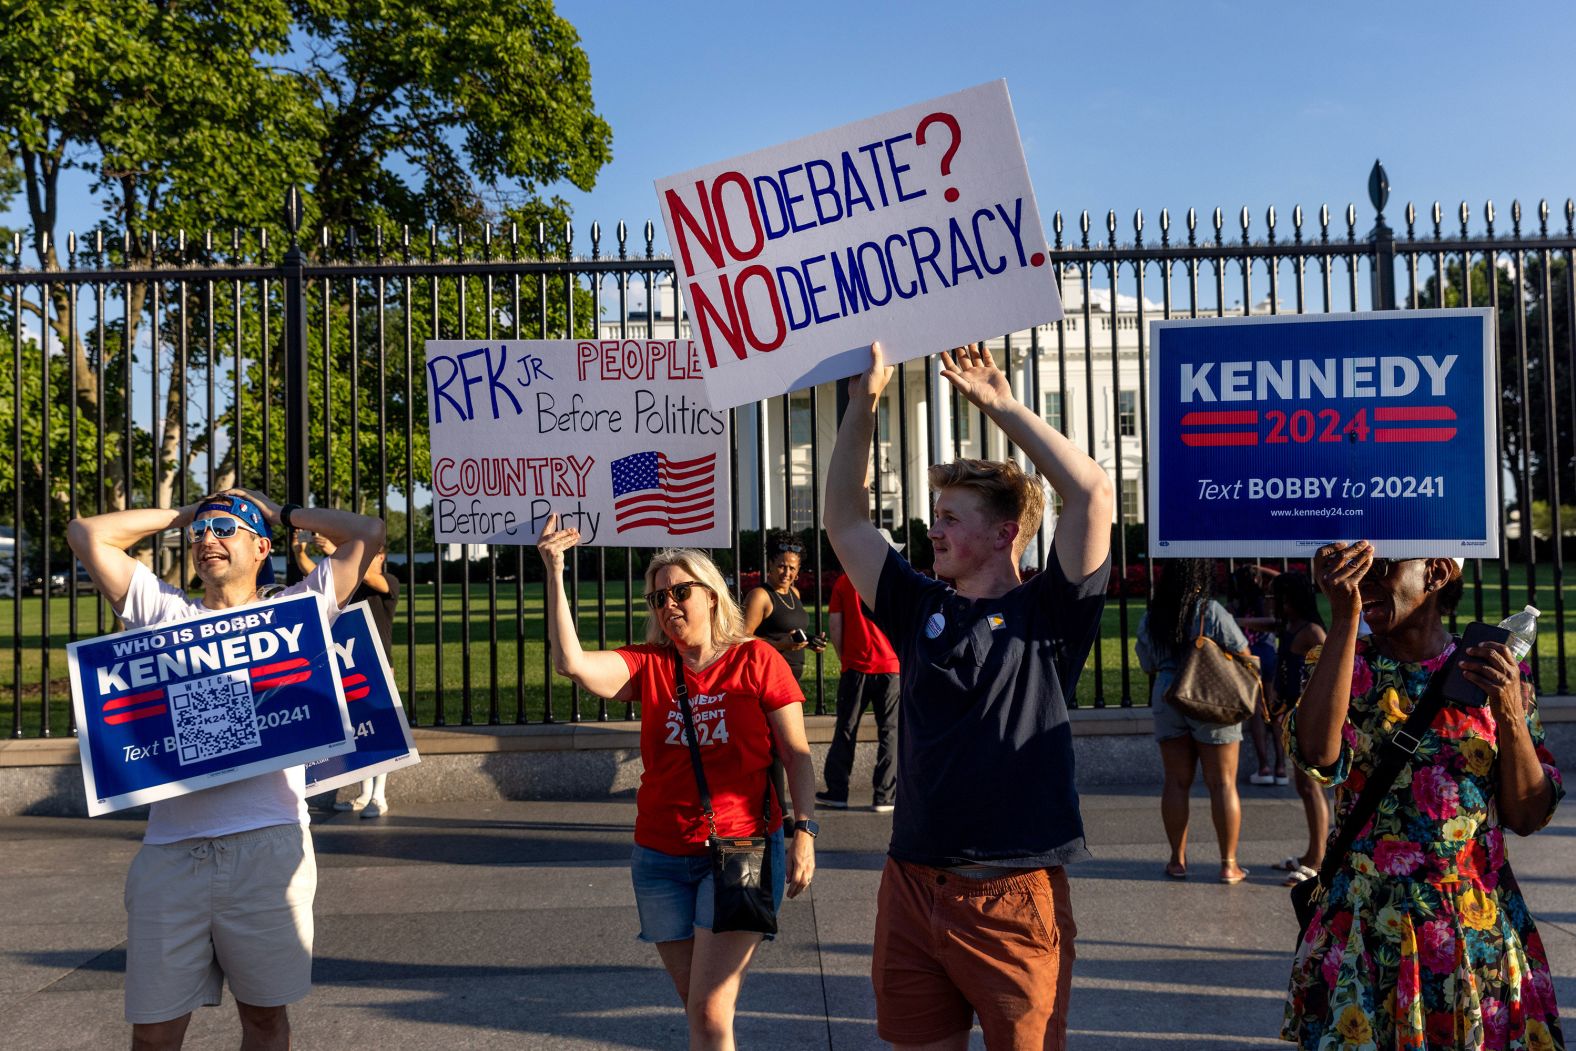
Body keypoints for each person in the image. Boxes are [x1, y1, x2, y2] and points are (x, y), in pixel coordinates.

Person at [824, 341, 1113, 1051]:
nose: (935, 528)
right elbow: (845, 521)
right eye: (937, 514)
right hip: (912, 883)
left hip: (1011, 895)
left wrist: (1004, 407)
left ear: (1004, 533)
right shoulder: (917, 602)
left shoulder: (1049, 612)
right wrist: (864, 402)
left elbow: (1093, 494)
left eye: (952, 517)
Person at [67, 489, 385, 1051]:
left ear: (262, 547)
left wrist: (276, 512)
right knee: (154, 1031)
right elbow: (86, 534)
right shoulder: (165, 613)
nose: (206, 542)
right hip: (172, 854)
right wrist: (193, 513)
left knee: (264, 1021)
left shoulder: (299, 608)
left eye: (224, 531)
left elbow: (367, 533)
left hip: (268, 847)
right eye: (198, 536)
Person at [536, 516, 818, 1051]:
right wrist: (555, 568)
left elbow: (797, 756)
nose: (668, 605)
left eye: (680, 592)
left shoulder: (757, 660)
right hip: (659, 857)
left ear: (711, 596)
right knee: (700, 1012)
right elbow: (570, 663)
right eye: (657, 598)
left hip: (741, 852)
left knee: (710, 1013)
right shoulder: (652, 666)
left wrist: (804, 831)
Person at [1283, 542, 1565, 1049]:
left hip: (1471, 928)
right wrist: (1344, 618)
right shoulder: (1341, 665)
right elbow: (1319, 758)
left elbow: (1527, 813)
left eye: (1379, 569)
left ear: (1435, 572)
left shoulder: (1494, 671)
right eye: (1354, 570)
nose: (1360, 581)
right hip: (1364, 926)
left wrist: (1510, 714)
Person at [1136, 558, 1251, 884]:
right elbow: (1242, 651)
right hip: (1210, 696)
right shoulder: (1209, 610)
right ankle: (1229, 864)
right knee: (1223, 783)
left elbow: (1146, 663)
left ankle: (1177, 860)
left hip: (1168, 694)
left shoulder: (1153, 615)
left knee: (1175, 781)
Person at [293, 531, 400, 818]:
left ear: (382, 557)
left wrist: (335, 552)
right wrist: (298, 551)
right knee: (360, 730)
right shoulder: (352, 584)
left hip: (378, 666)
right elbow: (315, 573)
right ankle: (365, 794)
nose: (372, 558)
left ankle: (379, 797)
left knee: (382, 730)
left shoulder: (387, 583)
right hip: (351, 664)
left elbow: (367, 577)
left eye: (376, 554)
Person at [815, 527, 903, 813]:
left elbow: (836, 628)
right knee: (890, 731)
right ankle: (884, 795)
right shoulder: (895, 581)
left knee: (846, 728)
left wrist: (846, 659)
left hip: (856, 666)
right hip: (891, 666)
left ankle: (838, 791)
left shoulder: (845, 582)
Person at [1263, 572, 1328, 887]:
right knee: (1303, 786)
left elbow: (1332, 668)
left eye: (1278, 598)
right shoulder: (1289, 627)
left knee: (1310, 785)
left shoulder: (1312, 631)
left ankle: (1318, 860)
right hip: (1290, 712)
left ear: (1294, 599)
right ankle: (1311, 853)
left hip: (1306, 715)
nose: (1273, 603)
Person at [1230, 564, 1287, 787]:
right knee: (1275, 712)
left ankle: (1263, 766)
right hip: (1269, 657)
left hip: (1247, 660)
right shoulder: (1268, 603)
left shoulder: (1234, 607)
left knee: (1255, 714)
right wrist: (1259, 569)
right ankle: (1281, 767)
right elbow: (1284, 578)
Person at [742, 541, 825, 678]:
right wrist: (779, 645)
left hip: (791, 676)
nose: (786, 573)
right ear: (770, 565)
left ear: (798, 570)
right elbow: (743, 637)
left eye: (792, 568)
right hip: (767, 674)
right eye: (781, 566)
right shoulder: (760, 595)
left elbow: (787, 631)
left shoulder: (794, 593)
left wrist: (810, 642)